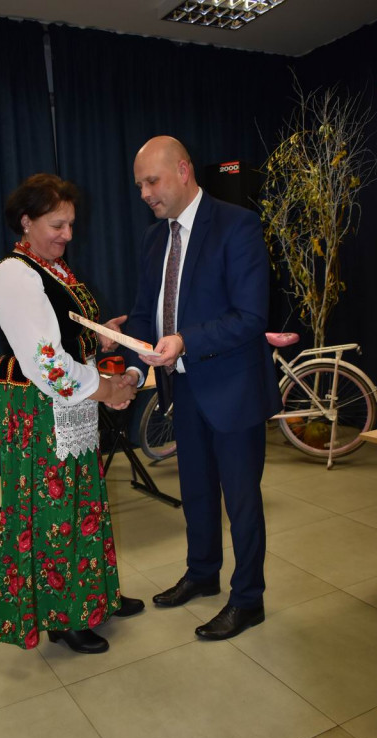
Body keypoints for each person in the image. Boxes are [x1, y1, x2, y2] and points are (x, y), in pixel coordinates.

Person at [121, 136, 282, 641]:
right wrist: (131, 369)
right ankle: (202, 572)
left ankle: (248, 599)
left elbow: (251, 316)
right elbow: (145, 314)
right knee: (195, 492)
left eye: (152, 181)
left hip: (233, 390)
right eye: (139, 185)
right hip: (182, 389)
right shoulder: (154, 240)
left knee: (241, 502)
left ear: (184, 170)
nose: (145, 193)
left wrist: (185, 340)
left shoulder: (237, 226)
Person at [0, 173, 143, 655]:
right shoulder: (15, 274)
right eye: (58, 225)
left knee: (82, 498)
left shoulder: (52, 267)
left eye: (71, 225)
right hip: (39, 406)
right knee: (54, 507)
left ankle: (95, 596)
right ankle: (62, 616)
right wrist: (107, 388)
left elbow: (63, 334)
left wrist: (97, 338)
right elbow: (47, 363)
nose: (67, 235)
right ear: (26, 221)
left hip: (67, 399)